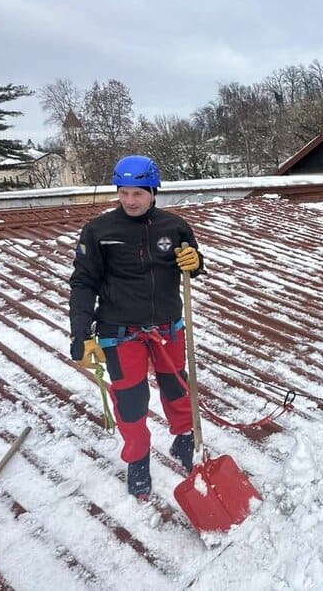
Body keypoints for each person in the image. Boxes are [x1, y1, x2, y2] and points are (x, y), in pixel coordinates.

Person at [69, 155, 204, 499]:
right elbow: (83, 283)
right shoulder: (99, 231)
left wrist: (197, 262)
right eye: (123, 192)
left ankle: (185, 440)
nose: (129, 201)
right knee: (130, 400)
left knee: (176, 388)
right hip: (120, 330)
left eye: (137, 193)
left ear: (153, 191)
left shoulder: (174, 226)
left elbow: (193, 263)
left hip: (168, 326)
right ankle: (138, 458)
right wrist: (82, 335)